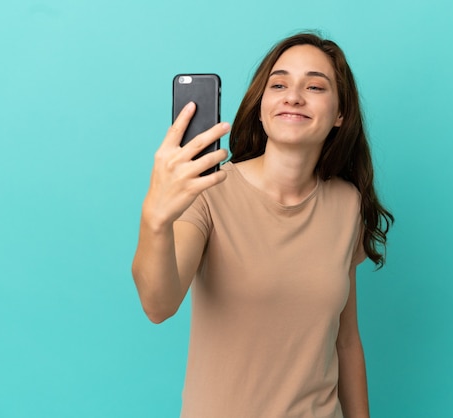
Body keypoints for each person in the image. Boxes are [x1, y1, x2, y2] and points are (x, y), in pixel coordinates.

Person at [132, 32, 393, 418]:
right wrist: (155, 217)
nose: (293, 95)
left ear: (341, 114)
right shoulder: (210, 192)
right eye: (279, 84)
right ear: (261, 106)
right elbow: (158, 304)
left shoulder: (346, 203)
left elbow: (346, 342)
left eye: (315, 86)